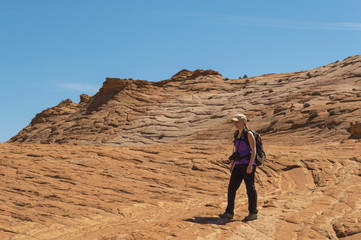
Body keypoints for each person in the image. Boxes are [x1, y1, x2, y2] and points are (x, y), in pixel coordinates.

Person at [219, 113, 258, 221]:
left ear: (243, 122)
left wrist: (250, 165)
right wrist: (232, 164)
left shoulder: (249, 134)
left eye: (237, 121)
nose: (235, 124)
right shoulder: (236, 134)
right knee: (231, 188)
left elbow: (253, 150)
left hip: (247, 164)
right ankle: (229, 212)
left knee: (250, 189)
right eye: (234, 122)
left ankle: (253, 213)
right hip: (238, 164)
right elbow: (236, 151)